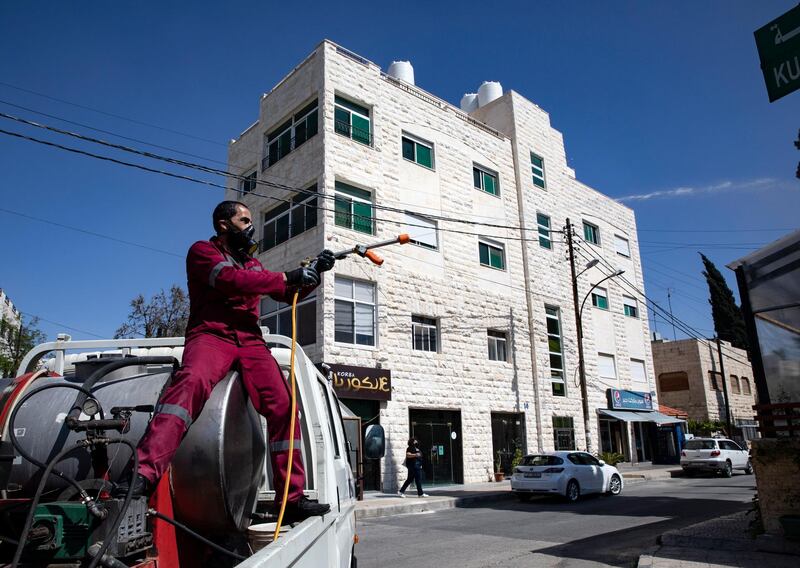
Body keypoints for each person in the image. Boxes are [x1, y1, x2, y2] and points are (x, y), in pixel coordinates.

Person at [115, 200, 334, 522]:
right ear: (223, 224)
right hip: (212, 335)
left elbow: (287, 292)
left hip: (250, 340)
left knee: (285, 407)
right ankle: (143, 474)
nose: (250, 226)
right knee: (189, 384)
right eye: (244, 220)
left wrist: (314, 273)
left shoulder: (254, 265)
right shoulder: (203, 252)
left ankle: (292, 500)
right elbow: (232, 280)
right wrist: (288, 276)